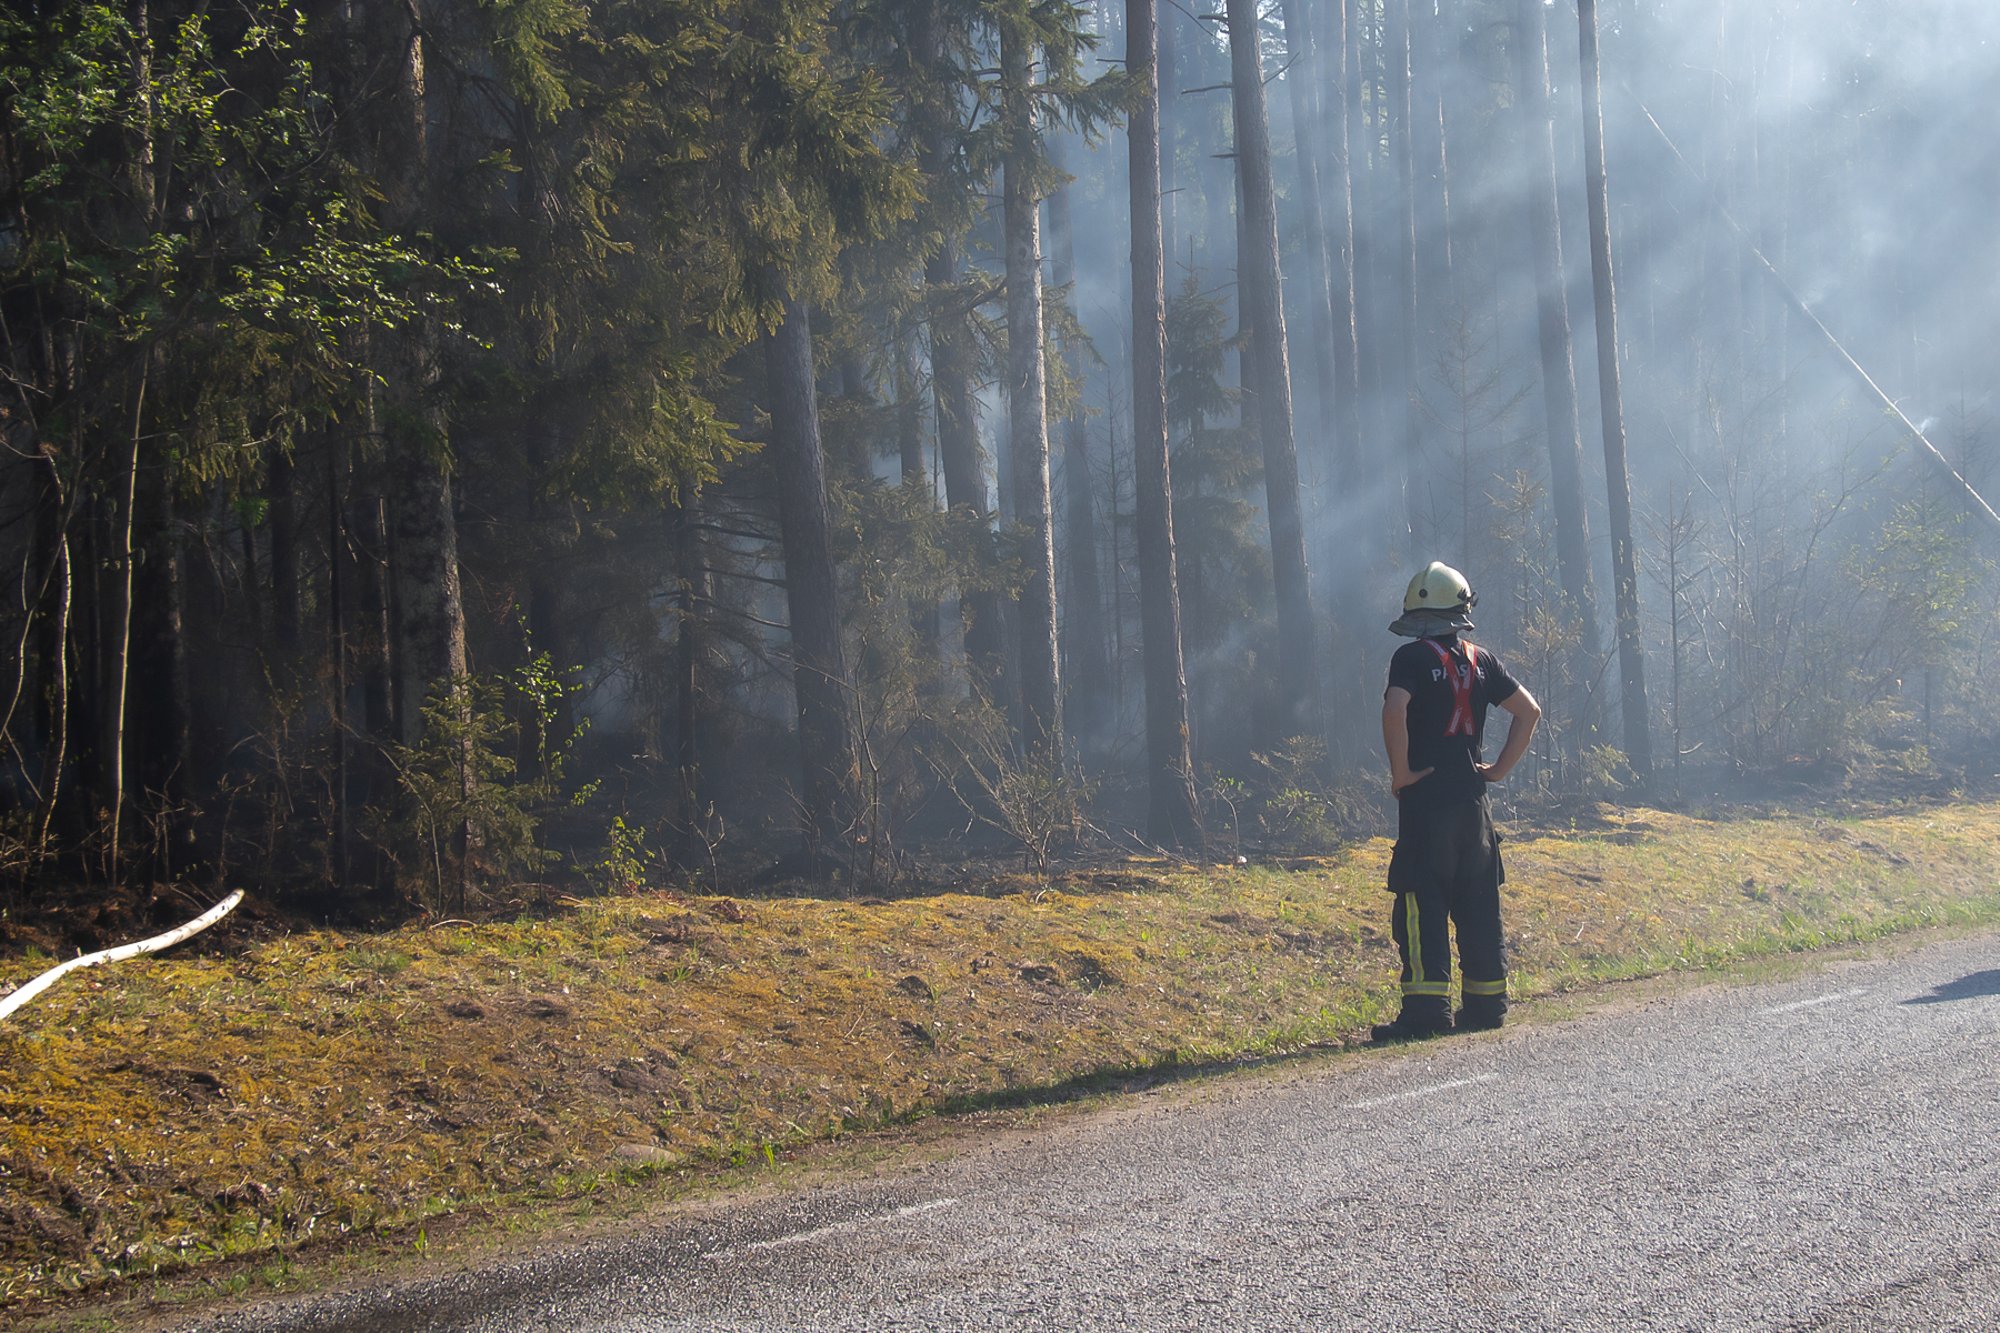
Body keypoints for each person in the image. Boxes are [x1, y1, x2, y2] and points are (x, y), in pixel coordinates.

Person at [1374, 561, 1541, 1042]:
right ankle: (1488, 1003)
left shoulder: (1408, 658)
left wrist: (1400, 772)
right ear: (1462, 610)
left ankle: (1427, 1012)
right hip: (1475, 810)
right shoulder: (1483, 660)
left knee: (1422, 902)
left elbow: (1395, 708)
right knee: (1478, 903)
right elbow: (1529, 711)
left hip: (1427, 808)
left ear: (1415, 610)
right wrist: (1500, 770)